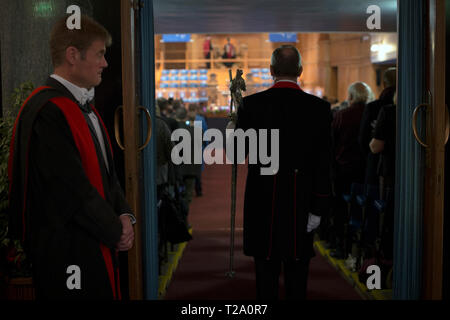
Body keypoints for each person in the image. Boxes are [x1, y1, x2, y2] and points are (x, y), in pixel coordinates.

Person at [8, 15, 135, 299]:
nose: (105, 63)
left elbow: (107, 175)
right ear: (73, 55)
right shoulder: (48, 111)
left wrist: (125, 215)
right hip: (68, 254)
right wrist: (116, 230)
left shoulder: (84, 108)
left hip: (93, 241)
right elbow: (70, 190)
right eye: (100, 54)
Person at [229, 45, 331, 300]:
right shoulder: (319, 108)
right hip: (302, 202)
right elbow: (324, 163)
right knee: (298, 281)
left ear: (271, 70)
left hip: (263, 203)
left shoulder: (251, 106)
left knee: (266, 280)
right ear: (300, 70)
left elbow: (236, 154)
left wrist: (234, 123)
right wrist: (318, 206)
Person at [359, 68, 396, 186]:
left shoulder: (374, 107)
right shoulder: (408, 104)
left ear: (384, 84)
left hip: (378, 164)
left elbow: (363, 139)